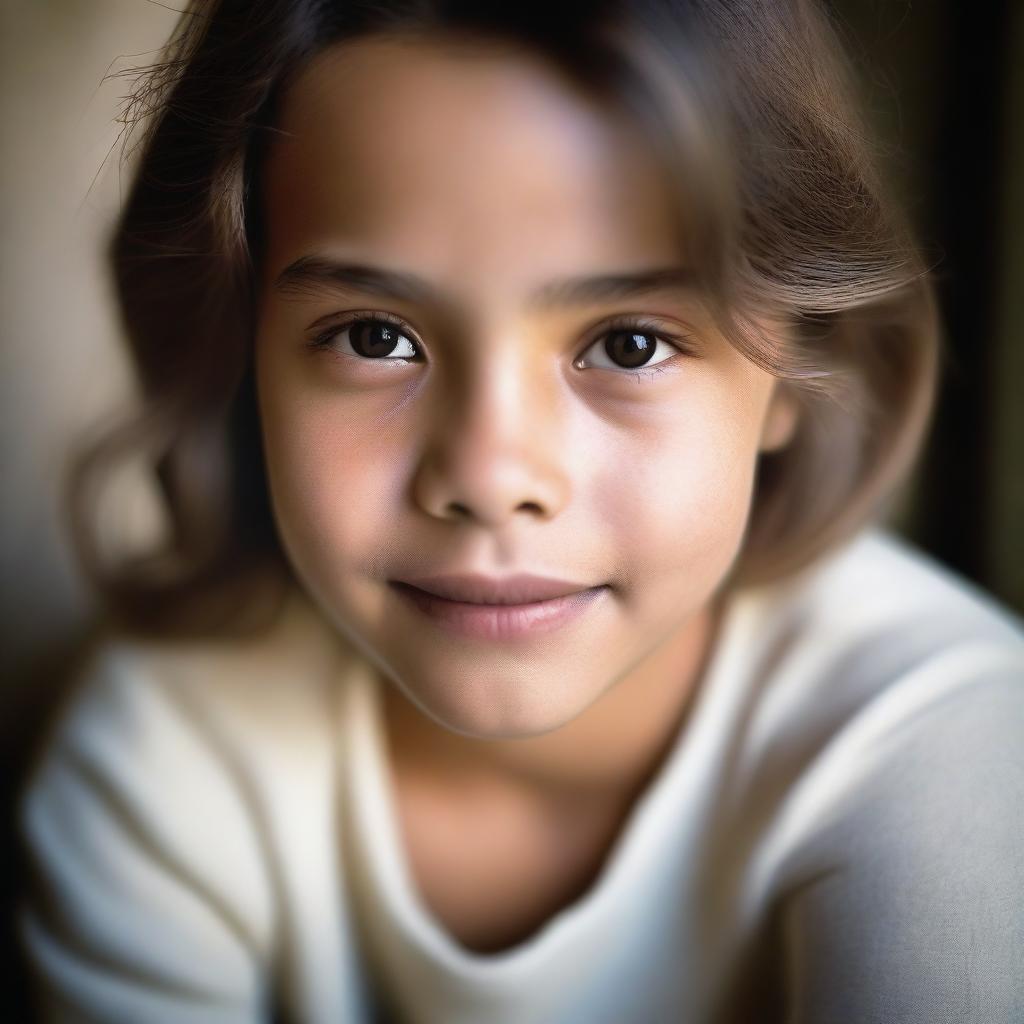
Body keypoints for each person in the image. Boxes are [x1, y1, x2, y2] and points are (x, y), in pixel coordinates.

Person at [16, 1, 1024, 1021]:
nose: (492, 475)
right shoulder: (164, 755)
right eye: (373, 335)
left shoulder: (943, 743)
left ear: (797, 375)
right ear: (247, 357)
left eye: (628, 344)